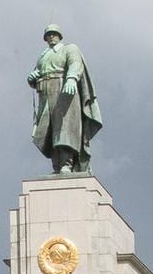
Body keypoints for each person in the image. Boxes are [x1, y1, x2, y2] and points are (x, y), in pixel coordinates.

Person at [27, 23, 102, 174]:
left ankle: (66, 163)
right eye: (48, 35)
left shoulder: (69, 48)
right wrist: (32, 78)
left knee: (64, 128)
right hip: (45, 93)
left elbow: (75, 63)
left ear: (59, 35)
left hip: (64, 91)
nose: (51, 37)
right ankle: (56, 165)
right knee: (49, 129)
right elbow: (37, 73)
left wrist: (72, 79)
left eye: (53, 34)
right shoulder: (44, 56)